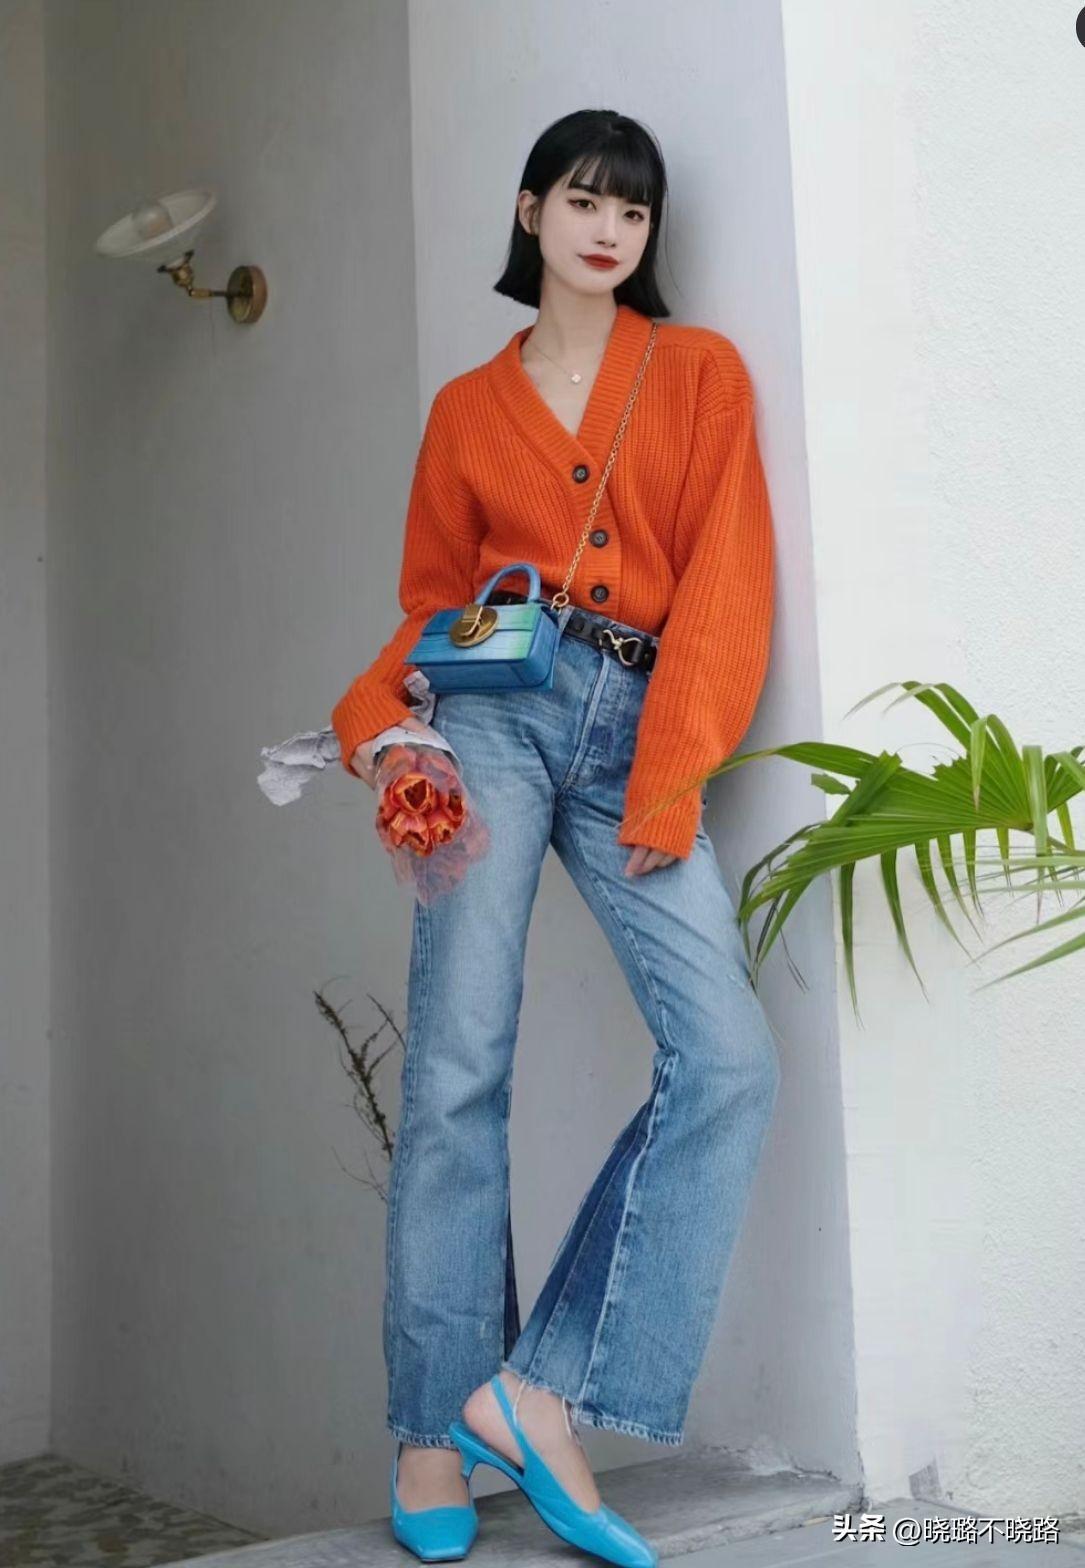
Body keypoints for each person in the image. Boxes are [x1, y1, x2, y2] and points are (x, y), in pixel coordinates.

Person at [331, 108, 781, 1568]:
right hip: (493, 721)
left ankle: (532, 1390)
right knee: (458, 1069)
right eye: (585, 202)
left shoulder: (697, 373)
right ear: (530, 212)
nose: (609, 231)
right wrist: (383, 723)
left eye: (632, 213)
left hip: (632, 729)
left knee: (727, 1056)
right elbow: (432, 602)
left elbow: (726, 576)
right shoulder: (468, 409)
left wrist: (673, 773)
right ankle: (429, 1424)